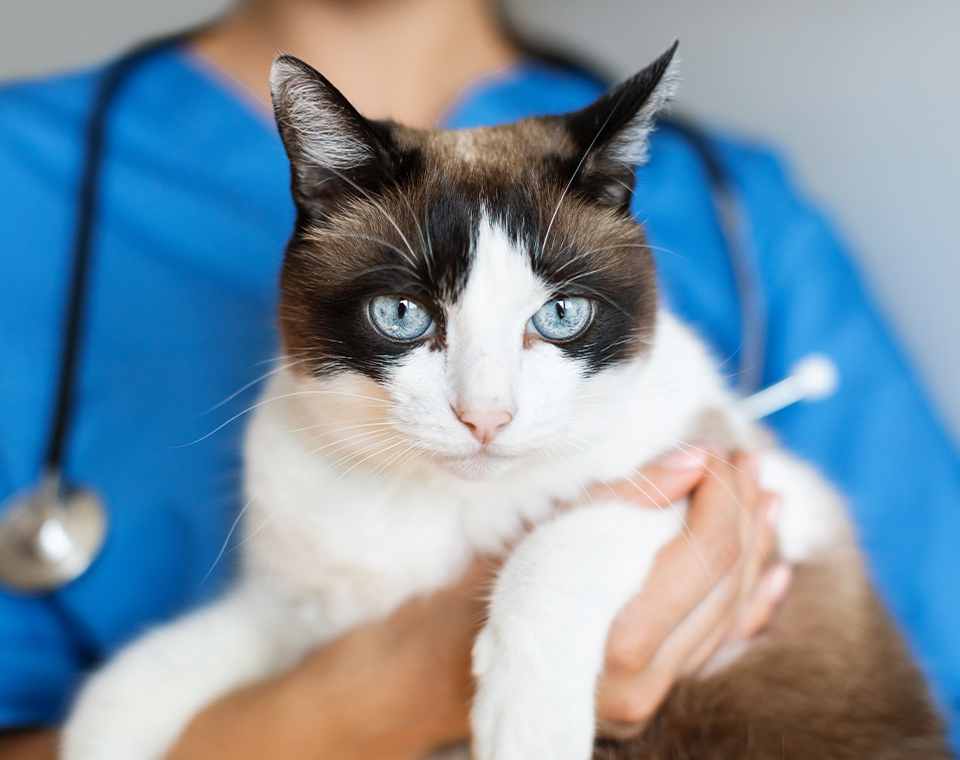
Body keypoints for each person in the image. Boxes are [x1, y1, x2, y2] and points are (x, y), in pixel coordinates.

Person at [0, 0, 957, 757]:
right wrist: (389, 694)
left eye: (559, 321)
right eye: (405, 317)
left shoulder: (744, 208)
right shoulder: (25, 175)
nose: (484, 410)